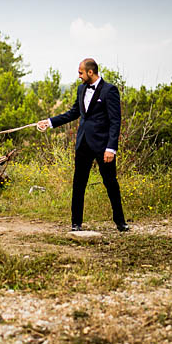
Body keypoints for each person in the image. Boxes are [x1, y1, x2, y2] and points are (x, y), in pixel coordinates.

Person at [37, 58, 129, 232]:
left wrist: (111, 148)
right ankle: (76, 223)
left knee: (111, 183)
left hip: (103, 146)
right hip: (83, 144)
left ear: (90, 72)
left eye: (80, 72)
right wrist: (49, 122)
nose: (78, 76)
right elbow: (73, 113)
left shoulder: (110, 91)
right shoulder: (81, 89)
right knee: (78, 184)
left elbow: (115, 121)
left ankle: (120, 221)